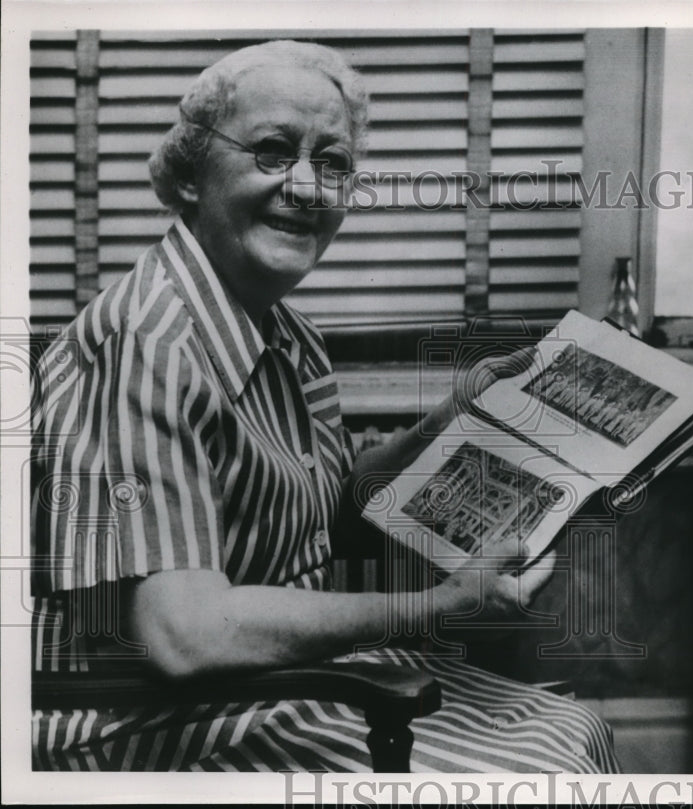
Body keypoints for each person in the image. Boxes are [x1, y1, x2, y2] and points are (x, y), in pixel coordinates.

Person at [31, 40, 618, 773]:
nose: (308, 187)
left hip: (266, 686)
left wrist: (451, 418)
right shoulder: (145, 341)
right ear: (189, 174)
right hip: (139, 722)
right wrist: (436, 603)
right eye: (274, 151)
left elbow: (325, 517)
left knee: (573, 726)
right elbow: (184, 636)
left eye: (333, 163)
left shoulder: (288, 331)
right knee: (542, 770)